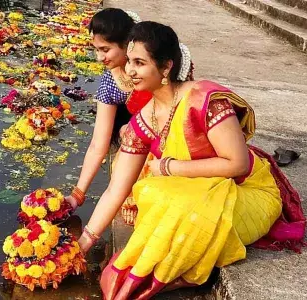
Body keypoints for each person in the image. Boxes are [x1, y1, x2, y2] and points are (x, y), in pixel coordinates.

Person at [77, 21, 305, 299]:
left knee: (177, 202)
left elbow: (238, 164)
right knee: (150, 191)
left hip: (245, 191)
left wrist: (170, 166)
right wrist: (84, 242)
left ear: (166, 67)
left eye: (139, 63)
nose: (130, 72)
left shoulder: (204, 100)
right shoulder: (144, 120)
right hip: (195, 190)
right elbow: (116, 188)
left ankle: (172, 274)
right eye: (129, 62)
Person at [66, 8, 152, 210]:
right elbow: (98, 143)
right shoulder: (109, 83)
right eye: (96, 50)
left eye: (105, 50)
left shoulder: (151, 68)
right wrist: (77, 194)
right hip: (136, 142)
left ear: (126, 45)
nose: (99, 58)